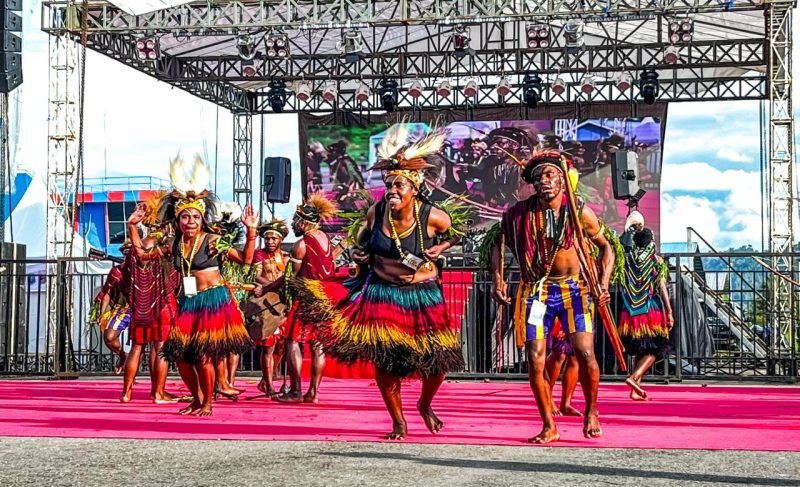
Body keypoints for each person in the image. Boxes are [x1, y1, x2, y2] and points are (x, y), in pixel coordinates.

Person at [293, 124, 465, 440]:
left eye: (399, 184)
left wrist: (439, 249)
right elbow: (362, 241)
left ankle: (425, 404)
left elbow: (454, 236)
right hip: (383, 294)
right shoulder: (376, 212)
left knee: (437, 363)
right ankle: (398, 421)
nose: (392, 190)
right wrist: (359, 254)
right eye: (389, 184)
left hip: (423, 296)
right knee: (386, 362)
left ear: (415, 187)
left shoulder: (434, 217)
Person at [489, 149, 614, 443]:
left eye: (549, 175)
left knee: (585, 354)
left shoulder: (579, 211)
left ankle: (592, 409)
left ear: (562, 181)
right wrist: (498, 280)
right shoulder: (519, 214)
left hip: (574, 290)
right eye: (538, 177)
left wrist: (603, 284)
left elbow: (605, 247)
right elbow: (496, 243)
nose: (543, 181)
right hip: (536, 292)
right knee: (535, 359)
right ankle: (549, 425)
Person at [126, 155, 258, 416]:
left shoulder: (211, 240)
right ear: (178, 220)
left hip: (212, 301)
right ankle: (197, 399)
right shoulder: (173, 243)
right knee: (180, 355)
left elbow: (246, 260)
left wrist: (252, 232)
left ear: (201, 220)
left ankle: (208, 403)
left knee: (203, 355)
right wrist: (133, 227)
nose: (190, 221)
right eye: (185, 217)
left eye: (195, 217)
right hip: (188, 301)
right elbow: (141, 256)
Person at [273, 193, 338, 404]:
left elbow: (293, 278)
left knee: (293, 342)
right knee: (318, 345)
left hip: (308, 298)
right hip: (325, 299)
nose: (293, 224)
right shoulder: (324, 238)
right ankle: (314, 393)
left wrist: (269, 287)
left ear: (303, 221)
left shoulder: (301, 245)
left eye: (295, 221)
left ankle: (296, 391)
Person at [119, 194, 182, 404]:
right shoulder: (171, 243)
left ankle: (127, 393)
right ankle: (158, 392)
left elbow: (137, 258)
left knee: (136, 347)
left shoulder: (143, 242)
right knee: (160, 347)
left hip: (141, 304)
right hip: (163, 302)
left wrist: (131, 228)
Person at [618, 227, 674, 400]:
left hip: (629, 312)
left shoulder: (627, 260)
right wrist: (669, 311)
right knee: (655, 349)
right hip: (651, 310)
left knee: (641, 348)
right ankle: (634, 378)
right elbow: (662, 287)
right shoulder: (656, 260)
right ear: (651, 242)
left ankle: (635, 390)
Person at [246, 218, 290, 395]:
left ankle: (267, 379)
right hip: (266, 304)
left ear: (281, 240)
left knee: (281, 346)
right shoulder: (259, 255)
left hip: (283, 304)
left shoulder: (287, 257)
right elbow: (256, 277)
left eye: (274, 239)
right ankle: (270, 385)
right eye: (267, 239)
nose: (270, 242)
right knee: (269, 346)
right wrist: (274, 285)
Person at [93, 243, 132, 375]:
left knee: (140, 345)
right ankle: (122, 355)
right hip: (122, 309)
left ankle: (131, 382)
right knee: (109, 337)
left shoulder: (144, 269)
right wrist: (101, 313)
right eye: (126, 254)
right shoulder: (117, 272)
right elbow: (107, 292)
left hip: (142, 309)